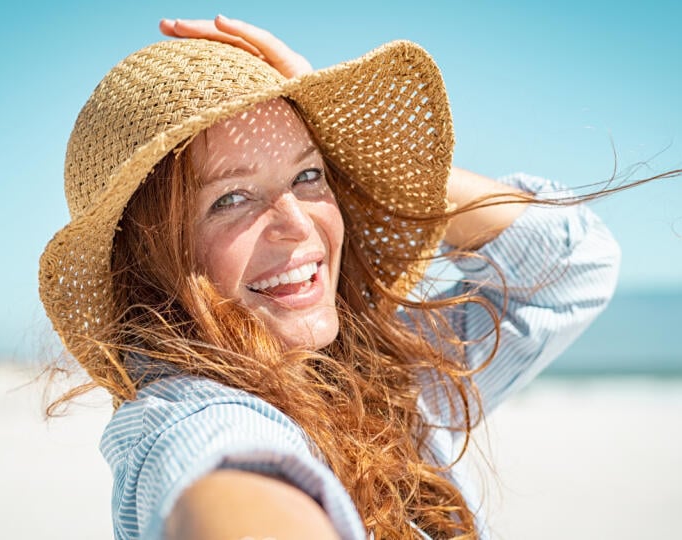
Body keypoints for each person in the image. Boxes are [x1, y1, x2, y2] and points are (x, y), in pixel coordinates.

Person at [39, 15, 623, 539]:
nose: (297, 224)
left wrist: (351, 151)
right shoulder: (188, 417)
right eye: (231, 198)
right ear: (149, 256)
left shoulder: (384, 379)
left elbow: (572, 263)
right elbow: (231, 484)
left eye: (310, 174)